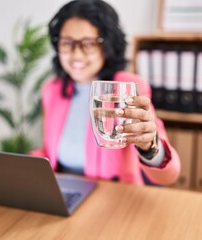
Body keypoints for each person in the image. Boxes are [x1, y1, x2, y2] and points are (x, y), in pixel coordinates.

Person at [31, 0, 180, 185]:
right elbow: (50, 153)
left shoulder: (129, 87)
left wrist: (150, 147)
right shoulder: (51, 90)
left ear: (107, 46)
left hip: (114, 197)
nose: (76, 54)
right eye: (67, 43)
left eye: (88, 44)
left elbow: (169, 176)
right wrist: (24, 164)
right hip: (63, 190)